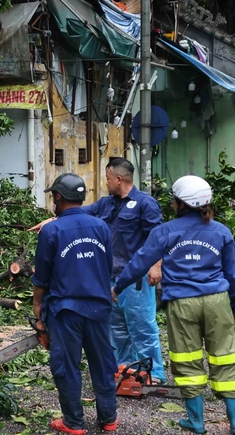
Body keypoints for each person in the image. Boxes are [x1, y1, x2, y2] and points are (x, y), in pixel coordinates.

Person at [113, 175, 235, 434]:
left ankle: (196, 421)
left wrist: (118, 286)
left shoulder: (164, 231)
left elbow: (139, 262)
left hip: (182, 303)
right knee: (225, 359)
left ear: (178, 203)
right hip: (217, 301)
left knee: (187, 360)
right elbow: (232, 274)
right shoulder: (222, 231)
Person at [29, 158, 166, 384]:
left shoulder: (145, 203)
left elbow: (157, 237)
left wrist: (155, 265)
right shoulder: (106, 204)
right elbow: (76, 213)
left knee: (142, 328)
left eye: (107, 178)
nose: (106, 183)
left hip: (135, 280)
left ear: (118, 179)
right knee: (117, 332)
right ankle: (125, 372)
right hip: (110, 279)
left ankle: (154, 374)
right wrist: (51, 221)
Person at [31, 173, 117, 434]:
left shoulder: (52, 230)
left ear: (58, 197)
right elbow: (107, 266)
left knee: (66, 367)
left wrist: (38, 311)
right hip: (99, 308)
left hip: (66, 311)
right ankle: (108, 418)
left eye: (53, 196)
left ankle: (73, 422)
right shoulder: (101, 227)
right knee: (102, 363)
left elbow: (42, 276)